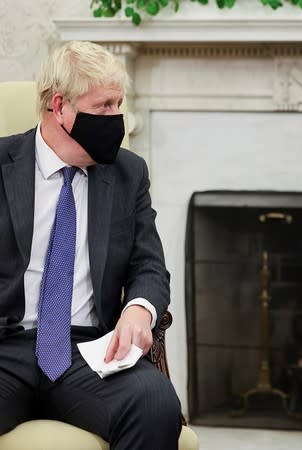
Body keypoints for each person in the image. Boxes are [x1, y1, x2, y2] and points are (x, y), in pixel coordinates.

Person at [0, 41, 181, 449]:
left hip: (88, 351)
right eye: (104, 106)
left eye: (120, 104)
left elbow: (149, 265)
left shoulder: (127, 173)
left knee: (155, 404)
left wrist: (139, 309)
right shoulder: (2, 164)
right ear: (60, 107)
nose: (117, 118)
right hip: (5, 346)